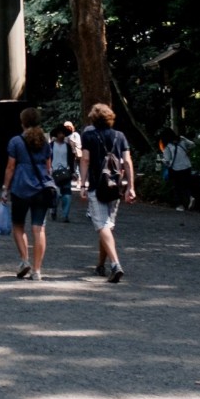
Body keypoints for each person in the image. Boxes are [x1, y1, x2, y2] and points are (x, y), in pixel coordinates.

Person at [79, 103, 136, 283]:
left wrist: (82, 184)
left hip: (97, 186)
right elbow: (127, 162)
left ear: (93, 119)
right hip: (115, 187)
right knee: (107, 227)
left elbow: (85, 159)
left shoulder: (88, 136)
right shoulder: (120, 136)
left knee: (102, 226)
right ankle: (100, 265)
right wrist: (130, 187)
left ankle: (115, 264)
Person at [0, 108, 56, 280]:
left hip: (21, 187)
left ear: (22, 122)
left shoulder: (16, 141)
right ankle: (37, 271)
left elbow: (10, 167)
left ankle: (25, 260)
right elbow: (48, 167)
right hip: (41, 188)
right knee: (39, 229)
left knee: (18, 225)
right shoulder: (44, 142)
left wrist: (5, 188)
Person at [159, 126, 197, 211]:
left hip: (176, 168)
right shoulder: (181, 139)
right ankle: (190, 197)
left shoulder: (167, 145)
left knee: (177, 187)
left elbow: (167, 160)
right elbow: (193, 144)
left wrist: (163, 161)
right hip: (187, 165)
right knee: (186, 184)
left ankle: (180, 205)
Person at [49, 125, 76, 222]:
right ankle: (53, 209)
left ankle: (65, 215)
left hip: (65, 172)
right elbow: (47, 158)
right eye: (60, 133)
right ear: (56, 134)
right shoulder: (51, 145)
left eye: (63, 133)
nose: (62, 135)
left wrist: (72, 172)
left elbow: (71, 160)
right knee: (55, 194)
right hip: (53, 172)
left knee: (67, 194)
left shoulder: (68, 146)